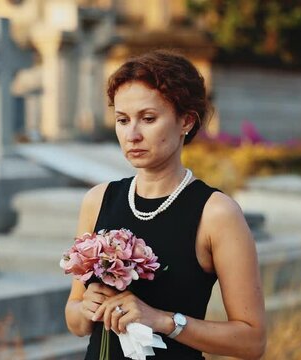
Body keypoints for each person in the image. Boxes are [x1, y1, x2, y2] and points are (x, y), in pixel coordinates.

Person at [64, 50, 266, 359]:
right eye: (122, 120)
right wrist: (87, 308)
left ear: (186, 120)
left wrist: (162, 321)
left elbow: (251, 341)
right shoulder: (98, 200)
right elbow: (75, 321)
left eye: (148, 119)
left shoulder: (216, 213)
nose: (132, 135)